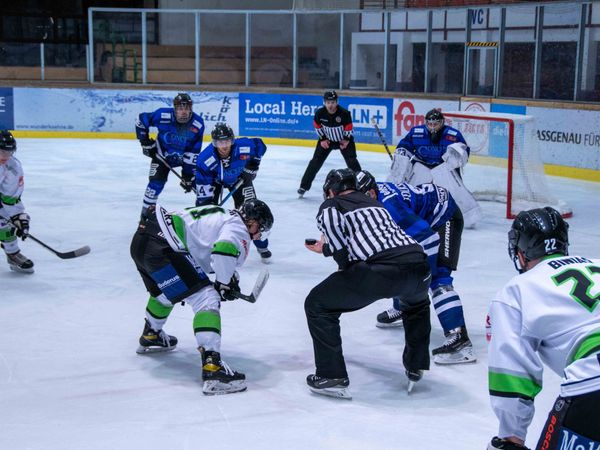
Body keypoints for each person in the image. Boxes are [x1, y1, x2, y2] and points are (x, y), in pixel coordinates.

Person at [304, 168, 431, 399]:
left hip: (379, 272)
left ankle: (331, 376)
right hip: (419, 267)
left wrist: (341, 265)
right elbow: (373, 238)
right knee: (417, 306)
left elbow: (339, 242)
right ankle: (416, 365)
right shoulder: (376, 203)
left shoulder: (332, 205)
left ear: (331, 191)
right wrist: (325, 249)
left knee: (317, 304)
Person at [130, 199, 273, 395]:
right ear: (252, 222)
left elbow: (207, 252)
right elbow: (224, 249)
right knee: (207, 298)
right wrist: (223, 283)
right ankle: (213, 368)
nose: (258, 235)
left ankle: (151, 334)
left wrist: (228, 277)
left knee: (166, 291)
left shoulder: (222, 215)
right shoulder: (238, 226)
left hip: (143, 240)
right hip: (165, 246)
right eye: (260, 228)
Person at [487, 207, 600, 450]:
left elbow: (513, 374)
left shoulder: (517, 289)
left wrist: (510, 438)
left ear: (520, 253)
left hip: (593, 383)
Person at [356, 171, 475, 365]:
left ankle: (460, 340)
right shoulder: (372, 198)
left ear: (370, 194)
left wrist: (422, 272)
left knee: (437, 279)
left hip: (445, 218)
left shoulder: (390, 207)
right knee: (399, 260)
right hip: (425, 219)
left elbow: (427, 237)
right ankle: (403, 308)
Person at [388, 108, 481, 228]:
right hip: (421, 165)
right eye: (429, 124)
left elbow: (464, 150)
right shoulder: (416, 132)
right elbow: (405, 146)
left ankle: (468, 216)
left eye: (435, 124)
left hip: (442, 167)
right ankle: (405, 213)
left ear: (442, 122)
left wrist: (457, 154)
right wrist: (401, 154)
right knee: (410, 191)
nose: (432, 127)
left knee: (454, 191)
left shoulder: (452, 135)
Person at [194, 123, 271, 261]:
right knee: (206, 214)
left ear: (232, 140)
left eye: (227, 141)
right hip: (215, 182)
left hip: (240, 179)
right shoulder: (205, 159)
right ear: (214, 142)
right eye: (219, 142)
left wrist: (253, 166)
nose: (224, 146)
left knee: (253, 211)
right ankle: (205, 247)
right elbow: (203, 187)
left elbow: (260, 145)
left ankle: (261, 245)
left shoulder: (244, 146)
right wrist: (206, 204)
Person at [135, 93, 205, 221]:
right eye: (180, 108)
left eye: (186, 108)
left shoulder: (197, 123)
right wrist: (145, 143)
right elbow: (141, 120)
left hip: (184, 159)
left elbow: (193, 151)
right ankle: (145, 219)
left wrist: (188, 175)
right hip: (162, 156)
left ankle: (207, 219)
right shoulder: (163, 115)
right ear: (174, 109)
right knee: (155, 184)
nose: (183, 112)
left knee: (201, 186)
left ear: (191, 108)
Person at [297, 90, 361, 198]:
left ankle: (362, 185)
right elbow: (317, 126)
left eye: (332, 102)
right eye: (328, 102)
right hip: (327, 141)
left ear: (337, 102)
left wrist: (346, 140)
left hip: (343, 141)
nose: (330, 105)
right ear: (324, 103)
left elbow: (349, 128)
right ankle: (304, 186)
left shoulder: (344, 113)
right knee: (315, 162)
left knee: (352, 162)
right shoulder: (319, 113)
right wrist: (322, 139)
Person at [0, 130, 33, 274]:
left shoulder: (13, 167)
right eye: (2, 152)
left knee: (6, 224)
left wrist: (18, 217)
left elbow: (11, 197)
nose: (6, 156)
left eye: (9, 152)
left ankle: (12, 254)